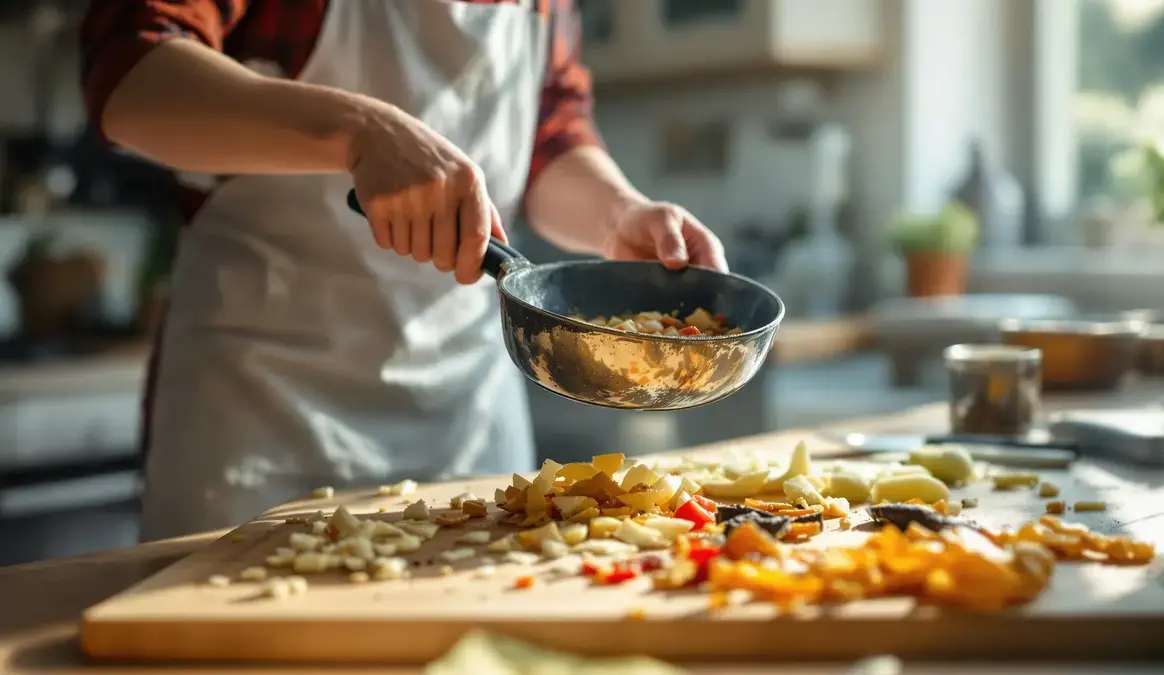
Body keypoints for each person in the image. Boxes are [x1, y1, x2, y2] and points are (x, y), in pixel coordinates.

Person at [81, 0, 728, 542]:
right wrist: (357, 129)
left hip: (467, 424)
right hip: (261, 419)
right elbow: (131, 73)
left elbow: (550, 135)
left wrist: (617, 214)